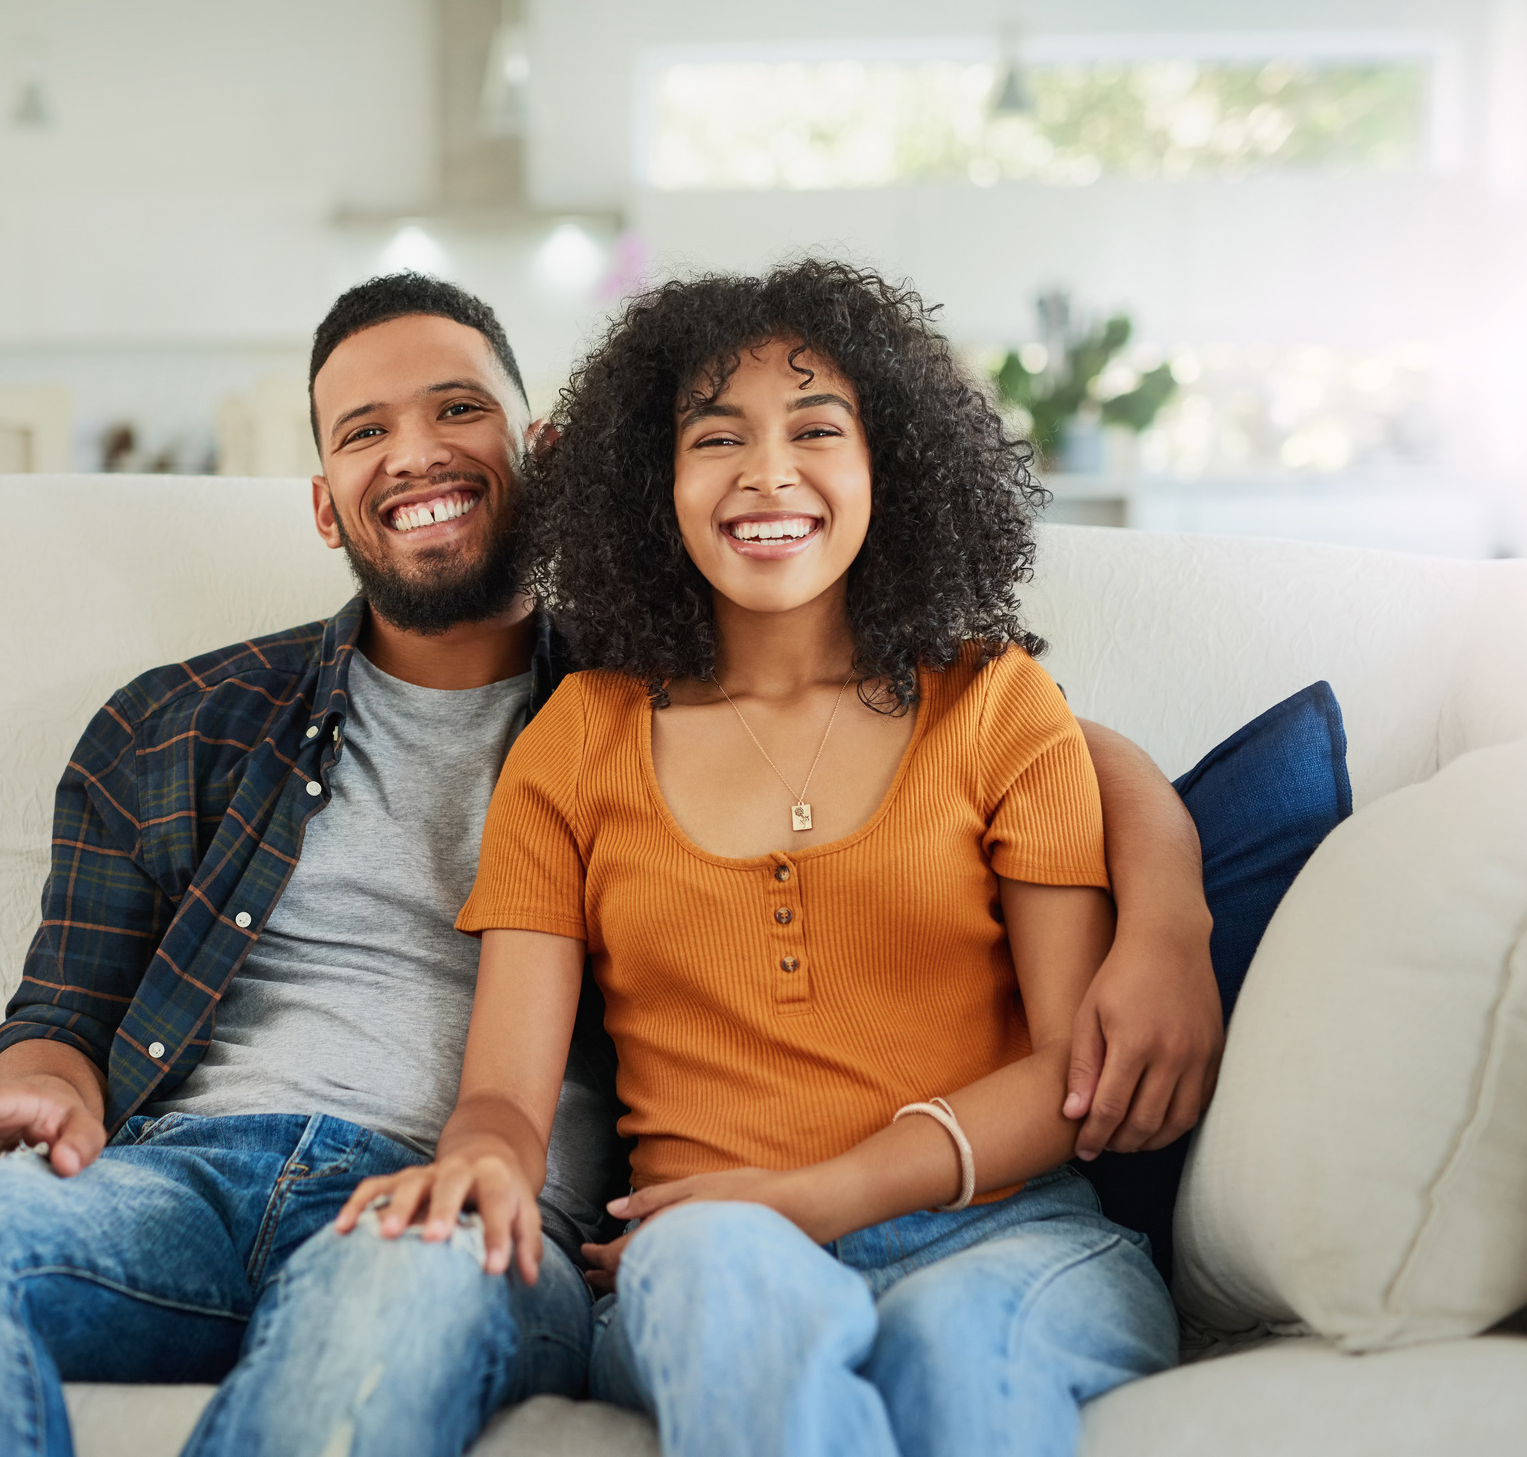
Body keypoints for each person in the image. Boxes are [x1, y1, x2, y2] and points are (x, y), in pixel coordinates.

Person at [0, 272, 1218, 1457]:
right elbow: (64, 1015)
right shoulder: (184, 723)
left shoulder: (640, 682)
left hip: (462, 1211)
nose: (413, 453)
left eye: (459, 407)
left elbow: (1052, 748)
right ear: (323, 496)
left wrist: (1170, 909)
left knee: (417, 1285)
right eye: (365, 430)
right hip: (191, 1179)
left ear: (548, 455)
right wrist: (30, 1089)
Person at [338, 260, 1182, 1457]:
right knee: (724, 1276)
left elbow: (1070, 1076)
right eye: (716, 437)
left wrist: (817, 1195)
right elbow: (503, 1097)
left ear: (892, 463)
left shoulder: (997, 704)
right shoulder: (575, 741)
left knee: (954, 1344)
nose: (768, 472)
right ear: (652, 484)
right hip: (703, 1245)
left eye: (818, 429)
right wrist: (477, 1159)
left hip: (1010, 1234)